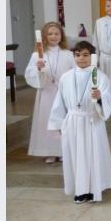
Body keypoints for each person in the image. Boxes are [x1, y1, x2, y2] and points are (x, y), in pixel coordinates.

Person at [48, 41, 111, 203]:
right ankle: (80, 190)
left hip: (92, 120)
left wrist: (100, 97)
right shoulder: (66, 77)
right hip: (73, 121)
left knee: (91, 155)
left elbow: (109, 98)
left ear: (93, 56)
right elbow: (59, 101)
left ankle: (93, 189)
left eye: (86, 55)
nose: (81, 58)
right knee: (75, 156)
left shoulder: (100, 76)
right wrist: (58, 123)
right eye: (77, 55)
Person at [25, 22, 76, 163]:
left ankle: (64, 150)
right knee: (47, 122)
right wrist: (38, 69)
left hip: (64, 93)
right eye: (50, 34)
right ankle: (50, 151)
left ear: (61, 36)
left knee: (63, 122)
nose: (53, 36)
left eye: (56, 33)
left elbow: (75, 73)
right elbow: (29, 74)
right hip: (47, 93)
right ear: (44, 37)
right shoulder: (37, 55)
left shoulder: (68, 54)